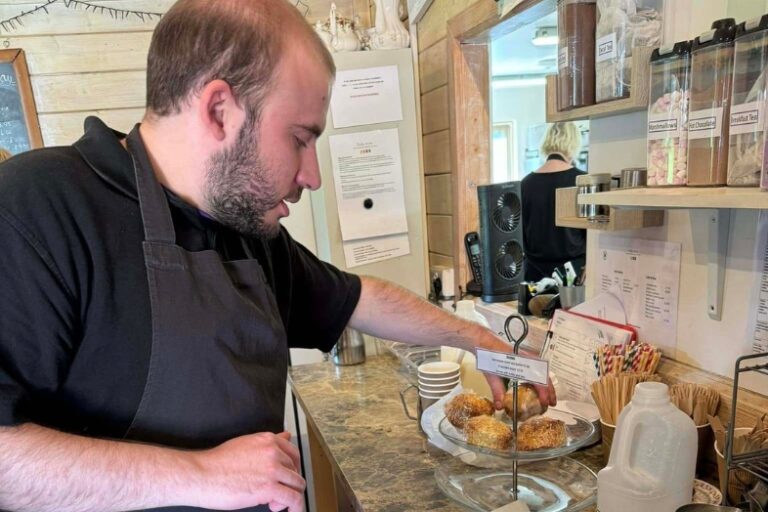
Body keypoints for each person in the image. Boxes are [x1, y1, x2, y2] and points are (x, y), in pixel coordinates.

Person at [0, 1, 554, 511]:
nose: (311, 175)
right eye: (299, 138)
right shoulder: (39, 207)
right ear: (219, 110)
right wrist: (199, 474)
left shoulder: (242, 228)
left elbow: (358, 298)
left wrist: (477, 339)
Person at [521, 122, 587, 282]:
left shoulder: (525, 183)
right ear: (574, 143)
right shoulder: (582, 180)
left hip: (534, 274)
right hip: (572, 275)